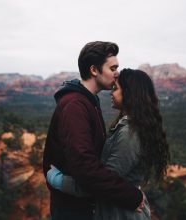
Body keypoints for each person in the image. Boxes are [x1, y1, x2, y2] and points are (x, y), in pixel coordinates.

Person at [47, 68, 171, 219]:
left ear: (130, 94)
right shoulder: (130, 127)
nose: (111, 93)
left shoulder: (130, 134)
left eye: (116, 89)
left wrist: (58, 180)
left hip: (122, 214)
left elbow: (102, 183)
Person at [42, 42, 145, 220]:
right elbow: (85, 167)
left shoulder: (88, 101)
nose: (117, 73)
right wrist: (131, 195)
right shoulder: (75, 105)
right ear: (94, 70)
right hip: (73, 209)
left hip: (84, 203)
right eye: (112, 68)